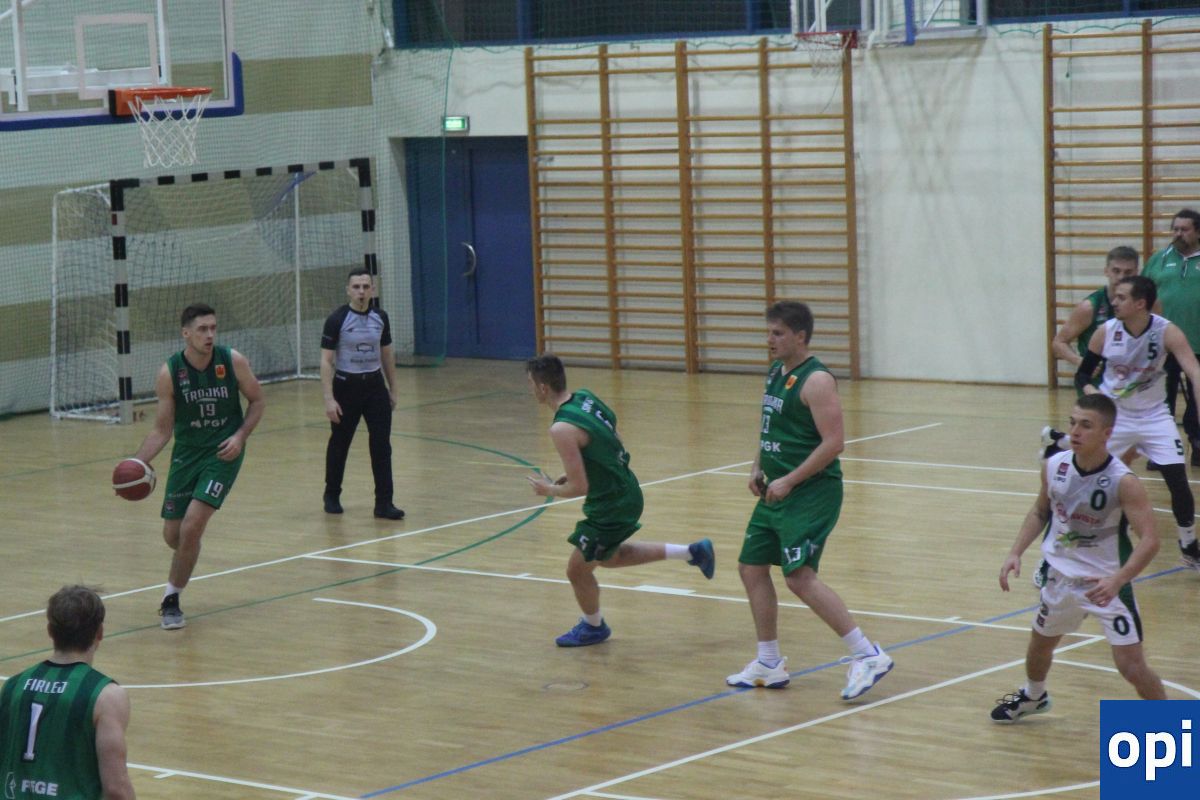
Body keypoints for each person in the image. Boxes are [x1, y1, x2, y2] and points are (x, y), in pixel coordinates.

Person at [726, 301, 893, 699]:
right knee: (751, 567)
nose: (770, 340)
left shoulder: (817, 380)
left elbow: (834, 443)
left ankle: (867, 654)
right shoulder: (775, 372)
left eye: (778, 333)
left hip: (812, 492)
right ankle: (769, 662)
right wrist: (757, 467)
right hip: (777, 488)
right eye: (768, 332)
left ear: (800, 336)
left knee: (798, 577)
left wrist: (789, 479)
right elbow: (769, 428)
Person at [991, 394, 1165, 722]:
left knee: (1132, 667)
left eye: (1086, 425)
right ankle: (1034, 696)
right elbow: (1040, 511)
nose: (1074, 431)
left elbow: (1151, 541)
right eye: (1072, 423)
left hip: (1105, 584)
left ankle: (1174, 731)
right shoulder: (1054, 465)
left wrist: (1118, 580)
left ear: (1107, 433)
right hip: (1060, 577)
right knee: (1040, 645)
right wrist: (1015, 552)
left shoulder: (1124, 481)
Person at [525, 354, 715, 647]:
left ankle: (593, 627)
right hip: (625, 487)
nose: (530, 389)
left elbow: (579, 487)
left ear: (542, 387)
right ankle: (693, 552)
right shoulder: (585, 398)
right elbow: (614, 436)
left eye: (531, 384)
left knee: (577, 570)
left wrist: (548, 490)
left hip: (611, 503)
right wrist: (581, 468)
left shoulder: (561, 428)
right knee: (609, 558)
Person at [130, 303, 265, 629]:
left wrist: (240, 436)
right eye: (202, 329)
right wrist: (136, 462)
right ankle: (189, 550)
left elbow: (258, 400)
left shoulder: (232, 361)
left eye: (213, 328)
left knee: (191, 527)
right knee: (174, 536)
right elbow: (162, 430)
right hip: (186, 455)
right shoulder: (170, 373)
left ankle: (171, 601)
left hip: (222, 453)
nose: (209, 335)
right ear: (186, 333)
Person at [1072, 275, 1200, 570]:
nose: (1114, 302)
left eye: (1121, 298)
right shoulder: (1105, 331)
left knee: (1178, 481)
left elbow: (1194, 371)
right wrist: (1094, 396)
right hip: (1116, 417)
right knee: (1087, 483)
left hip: (1155, 416)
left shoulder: (1166, 331)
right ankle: (1063, 552)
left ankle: (1189, 545)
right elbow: (1082, 375)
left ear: (1140, 304)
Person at [0, 585, 136, 799]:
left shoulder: (12, 686)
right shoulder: (106, 696)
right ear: (100, 632)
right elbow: (116, 789)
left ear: (50, 631)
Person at [320, 268, 404, 520]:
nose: (361, 292)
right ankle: (332, 494)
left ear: (373, 290)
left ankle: (384, 503)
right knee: (340, 443)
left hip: (375, 388)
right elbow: (326, 361)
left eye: (366, 287)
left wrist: (393, 389)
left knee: (381, 445)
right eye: (356, 287)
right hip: (346, 388)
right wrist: (329, 399)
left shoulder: (381, 317)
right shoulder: (337, 319)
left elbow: (387, 354)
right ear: (348, 290)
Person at [1041, 246, 1138, 458]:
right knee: (1101, 446)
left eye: (1128, 272)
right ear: (1106, 271)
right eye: (1116, 271)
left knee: (1121, 445)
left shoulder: (1140, 307)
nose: (1121, 277)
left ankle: (1058, 443)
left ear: (1136, 273)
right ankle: (1061, 454)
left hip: (1123, 385)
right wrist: (1081, 361)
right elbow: (1059, 342)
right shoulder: (1090, 307)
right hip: (1094, 385)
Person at [1142, 209, 1200, 466]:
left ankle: (1197, 443)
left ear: (1197, 232)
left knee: (1197, 398)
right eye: (1175, 229)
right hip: (1163, 343)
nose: (1178, 234)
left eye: (1184, 229)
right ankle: (1161, 451)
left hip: (1197, 342)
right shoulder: (1159, 259)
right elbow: (1141, 293)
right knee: (1161, 399)